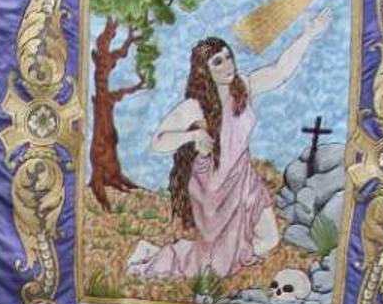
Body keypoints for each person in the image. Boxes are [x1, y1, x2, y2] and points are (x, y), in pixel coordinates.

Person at [127, 15, 330, 283]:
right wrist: (194, 135)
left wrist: (307, 35)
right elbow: (158, 141)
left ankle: (203, 253)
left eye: (228, 56)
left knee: (269, 240)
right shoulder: (194, 106)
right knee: (214, 268)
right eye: (217, 61)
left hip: (244, 180)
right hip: (212, 189)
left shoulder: (243, 88)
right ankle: (154, 255)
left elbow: (279, 71)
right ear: (204, 70)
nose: (227, 65)